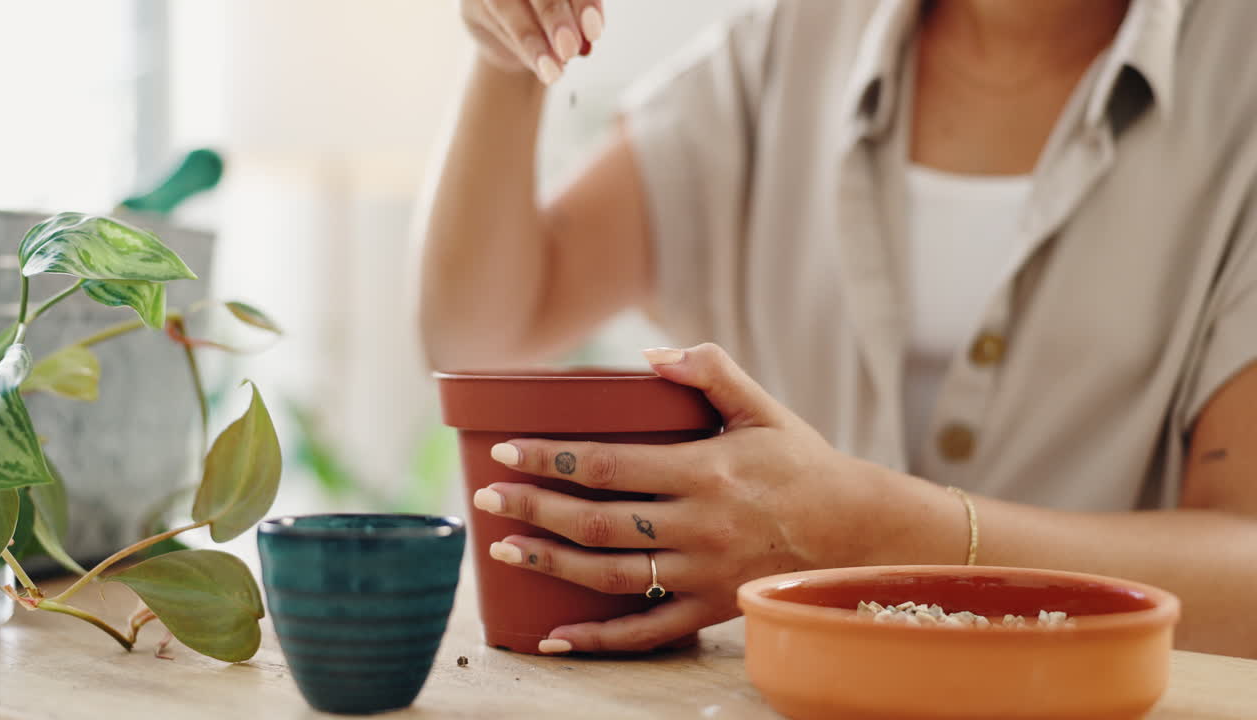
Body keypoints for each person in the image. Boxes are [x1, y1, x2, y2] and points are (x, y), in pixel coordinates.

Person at [419, 0, 1257, 658]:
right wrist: (507, 60)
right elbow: (478, 335)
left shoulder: (1237, 85)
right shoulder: (783, 52)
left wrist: (876, 536)